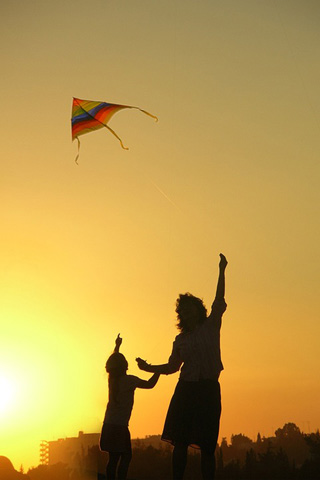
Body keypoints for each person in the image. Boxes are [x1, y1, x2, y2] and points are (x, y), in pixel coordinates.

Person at [136, 253, 228, 480]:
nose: (185, 312)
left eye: (189, 308)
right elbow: (171, 367)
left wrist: (221, 270)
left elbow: (219, 299)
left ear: (198, 309)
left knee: (207, 445)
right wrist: (148, 368)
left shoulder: (211, 325)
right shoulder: (180, 340)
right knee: (180, 442)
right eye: (182, 310)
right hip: (185, 391)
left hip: (208, 390)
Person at [100, 334, 160, 480]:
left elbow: (115, 360)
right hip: (120, 427)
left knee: (113, 460)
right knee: (126, 457)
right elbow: (150, 384)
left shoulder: (112, 380)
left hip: (108, 425)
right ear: (125, 366)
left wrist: (117, 346)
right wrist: (159, 370)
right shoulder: (129, 380)